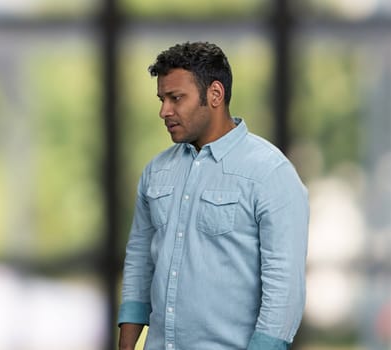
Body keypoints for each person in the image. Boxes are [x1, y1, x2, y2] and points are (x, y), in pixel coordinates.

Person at [118, 41, 309, 350]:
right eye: (162, 99)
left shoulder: (271, 173)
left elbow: (284, 288)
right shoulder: (156, 171)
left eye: (176, 98)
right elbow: (139, 262)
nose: (164, 111)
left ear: (215, 94)